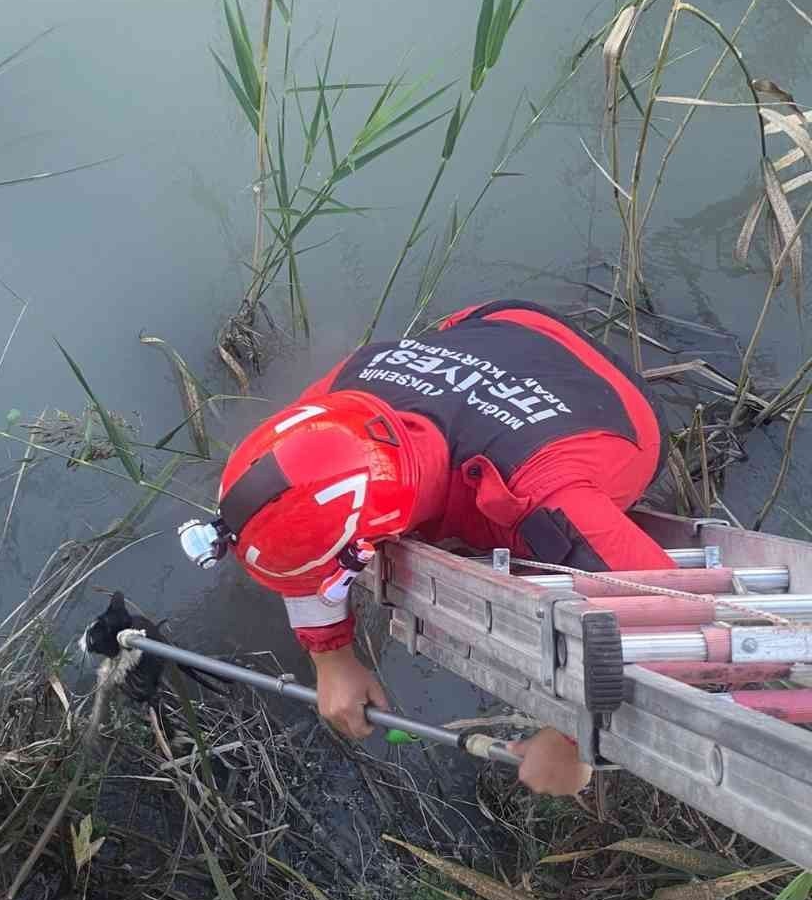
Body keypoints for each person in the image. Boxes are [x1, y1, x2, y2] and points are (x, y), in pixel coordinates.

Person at [180, 301, 672, 797]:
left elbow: (667, 615)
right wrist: (331, 658)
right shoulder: (331, 399)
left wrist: (575, 739)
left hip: (620, 409)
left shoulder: (532, 494)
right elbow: (302, 523)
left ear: (387, 531)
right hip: (504, 324)